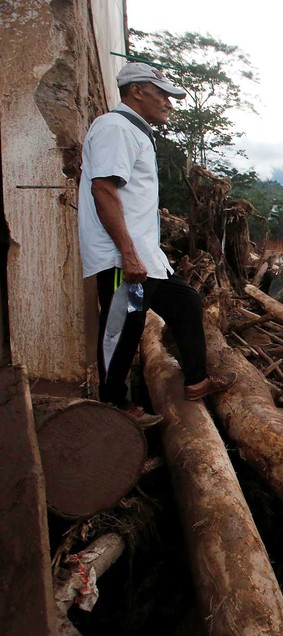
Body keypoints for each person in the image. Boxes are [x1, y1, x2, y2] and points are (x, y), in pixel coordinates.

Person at [78, 62, 235, 428]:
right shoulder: (115, 128)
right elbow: (103, 189)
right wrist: (128, 254)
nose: (169, 102)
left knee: (186, 302)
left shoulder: (135, 131)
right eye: (162, 94)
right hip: (122, 258)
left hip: (144, 257)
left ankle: (195, 380)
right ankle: (114, 405)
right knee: (122, 325)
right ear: (136, 91)